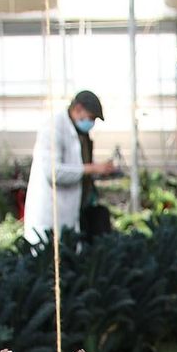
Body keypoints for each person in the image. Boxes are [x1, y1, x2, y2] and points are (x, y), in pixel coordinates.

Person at [24, 90, 113, 245]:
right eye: (91, 117)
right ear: (78, 108)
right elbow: (53, 172)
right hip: (49, 215)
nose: (91, 123)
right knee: (48, 254)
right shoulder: (53, 128)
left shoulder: (79, 134)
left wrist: (97, 170)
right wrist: (91, 169)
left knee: (68, 251)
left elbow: (75, 163)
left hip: (69, 214)